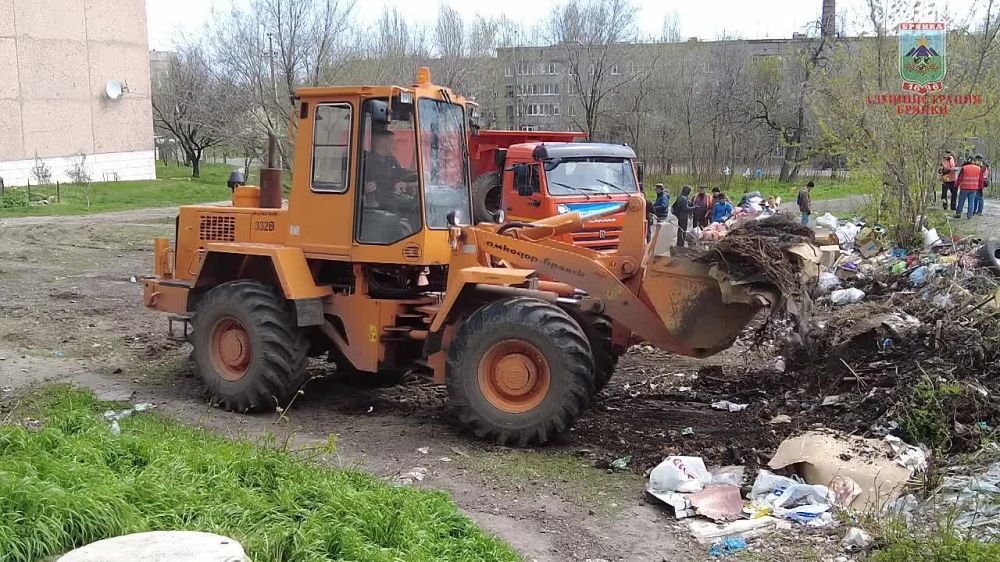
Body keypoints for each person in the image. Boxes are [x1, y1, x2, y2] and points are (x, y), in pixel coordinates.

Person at [363, 129, 417, 213]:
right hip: (378, 202)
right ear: (382, 143)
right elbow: (358, 184)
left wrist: (418, 175)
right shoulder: (368, 162)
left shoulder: (391, 160)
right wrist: (365, 187)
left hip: (390, 196)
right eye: (392, 142)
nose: (395, 145)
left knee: (415, 205)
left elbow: (402, 173)